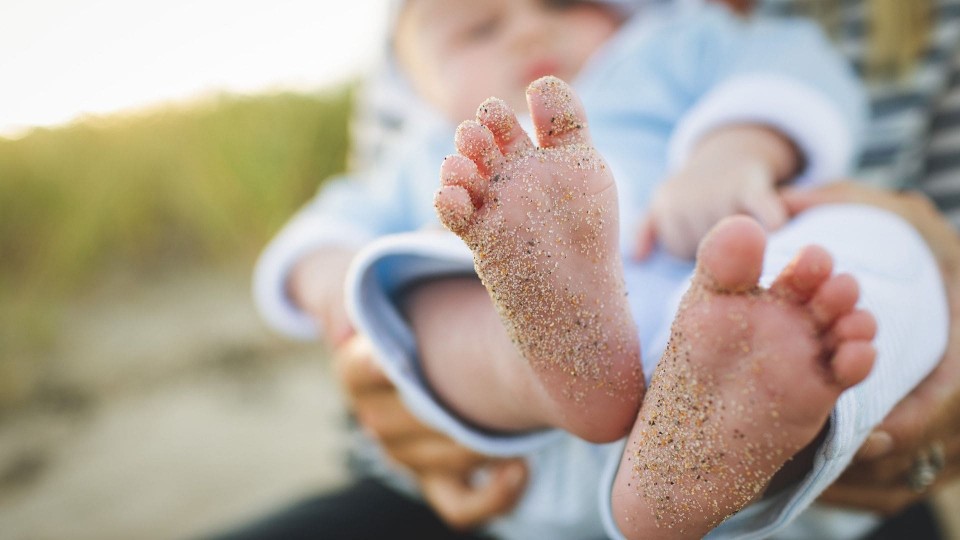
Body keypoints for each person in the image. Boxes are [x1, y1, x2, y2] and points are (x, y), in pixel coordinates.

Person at [235, 0, 957, 539]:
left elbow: (789, 67)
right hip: (528, 455)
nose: (526, 29)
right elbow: (321, 237)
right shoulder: (429, 153)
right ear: (417, 84)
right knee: (424, 279)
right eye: (478, 30)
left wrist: (735, 151)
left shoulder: (671, 48)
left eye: (562, 1)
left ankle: (738, 419)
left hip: (740, 344)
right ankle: (546, 362)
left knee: (875, 235)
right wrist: (341, 296)